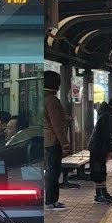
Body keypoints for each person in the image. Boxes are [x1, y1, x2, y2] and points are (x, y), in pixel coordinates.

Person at [88, 96, 112, 204]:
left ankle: (103, 193)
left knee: (101, 170)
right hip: (98, 147)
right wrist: (110, 149)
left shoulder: (108, 113)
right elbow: (106, 135)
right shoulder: (107, 115)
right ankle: (99, 195)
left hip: (99, 147)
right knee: (98, 171)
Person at [42, 70, 70, 210]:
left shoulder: (40, 98)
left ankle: (49, 200)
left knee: (49, 169)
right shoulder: (51, 100)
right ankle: (51, 201)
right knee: (53, 170)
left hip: (44, 141)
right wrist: (64, 143)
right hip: (52, 141)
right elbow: (57, 124)